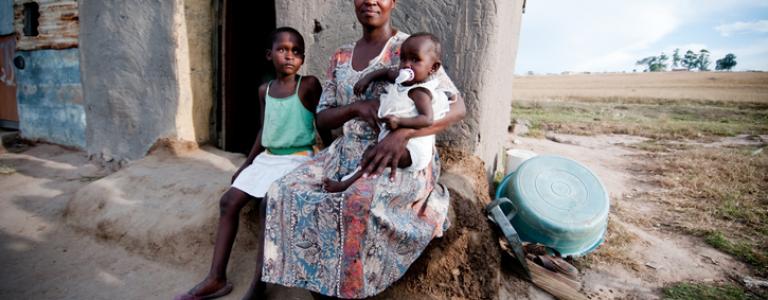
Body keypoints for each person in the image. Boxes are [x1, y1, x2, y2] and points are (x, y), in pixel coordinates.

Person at [259, 0, 467, 299]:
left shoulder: (410, 48)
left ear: (392, 2)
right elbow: (323, 116)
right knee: (282, 190)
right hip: (345, 150)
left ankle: (354, 291)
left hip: (397, 155)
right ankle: (319, 287)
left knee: (357, 203)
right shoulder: (341, 55)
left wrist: (405, 133)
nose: (370, 0)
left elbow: (456, 107)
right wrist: (356, 108)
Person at [174, 27, 329, 300]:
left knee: (268, 205)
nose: (289, 56)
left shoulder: (308, 85)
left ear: (303, 58)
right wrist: (247, 164)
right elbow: (263, 130)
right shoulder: (264, 91)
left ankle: (259, 284)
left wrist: (328, 157)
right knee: (228, 202)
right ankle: (216, 278)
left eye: (296, 52)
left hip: (299, 158)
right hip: (268, 158)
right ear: (269, 55)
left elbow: (323, 123)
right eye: (282, 50)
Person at [323, 33, 449, 193]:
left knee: (373, 157)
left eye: (415, 60)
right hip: (394, 141)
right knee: (371, 155)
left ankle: (345, 185)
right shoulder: (402, 78)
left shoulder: (420, 92)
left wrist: (399, 122)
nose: (406, 66)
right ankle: (352, 180)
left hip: (413, 150)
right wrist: (367, 78)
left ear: (433, 68)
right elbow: (385, 73)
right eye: (403, 59)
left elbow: (427, 119)